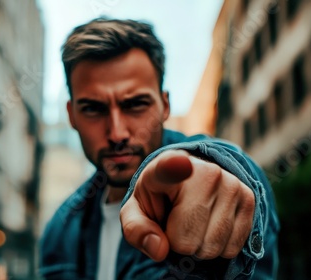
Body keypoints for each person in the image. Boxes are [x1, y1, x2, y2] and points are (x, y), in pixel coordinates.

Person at [38, 17, 280, 280]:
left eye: (135, 104)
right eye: (93, 109)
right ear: (71, 115)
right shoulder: (59, 229)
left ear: (165, 107)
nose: (117, 132)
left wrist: (218, 179)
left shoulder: (210, 167)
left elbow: (230, 166)